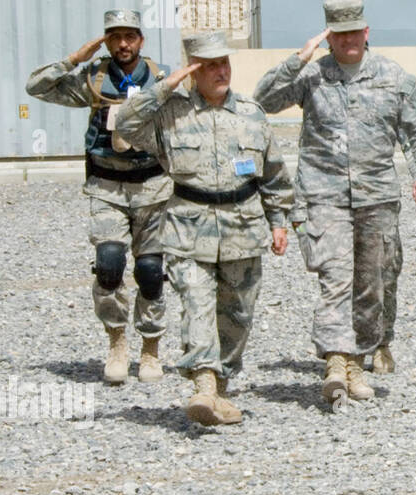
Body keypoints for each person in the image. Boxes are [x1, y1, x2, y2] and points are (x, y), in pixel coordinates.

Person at [253, 0, 416, 406]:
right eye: (339, 34)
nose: (348, 40)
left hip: (377, 198)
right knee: (335, 280)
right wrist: (296, 60)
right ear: (328, 37)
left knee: (373, 284)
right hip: (323, 196)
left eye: (355, 31)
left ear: (366, 32)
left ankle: (359, 359)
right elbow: (261, 103)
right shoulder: (313, 76)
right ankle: (337, 362)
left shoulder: (394, 77)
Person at [115, 31, 293, 427]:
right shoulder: (170, 113)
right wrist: (166, 85)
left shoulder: (250, 113)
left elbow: (275, 174)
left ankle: (221, 387)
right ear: (194, 70)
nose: (220, 71)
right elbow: (126, 124)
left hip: (243, 229)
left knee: (238, 315)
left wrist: (279, 221)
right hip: (188, 229)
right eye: (209, 65)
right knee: (197, 306)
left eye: (224, 63)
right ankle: (204, 385)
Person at [26, 9, 172, 385]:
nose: (123, 44)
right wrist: (75, 58)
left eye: (130, 36)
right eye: (114, 37)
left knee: (151, 271)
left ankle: (151, 348)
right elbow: (37, 87)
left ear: (141, 39)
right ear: (105, 41)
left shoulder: (160, 78)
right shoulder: (93, 79)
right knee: (109, 265)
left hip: (153, 187)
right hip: (107, 186)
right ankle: (117, 342)